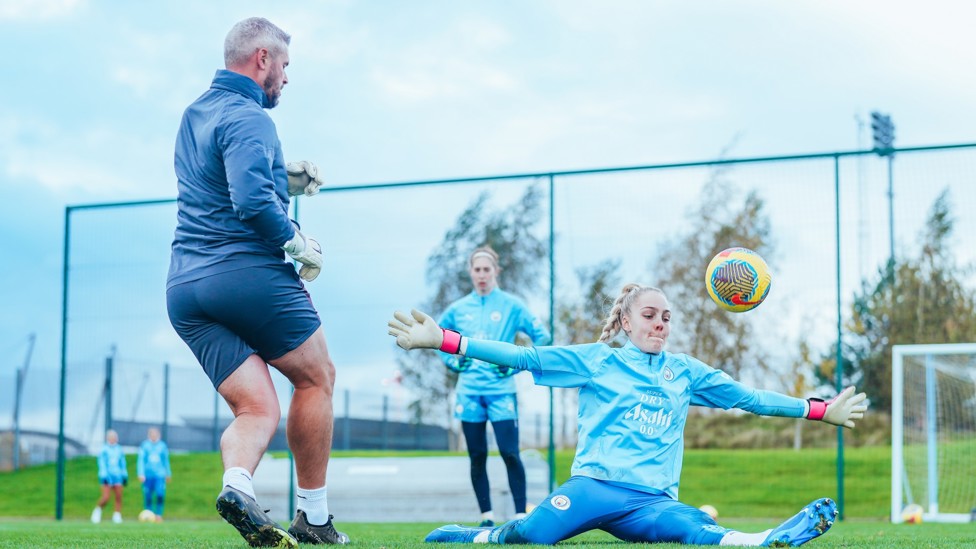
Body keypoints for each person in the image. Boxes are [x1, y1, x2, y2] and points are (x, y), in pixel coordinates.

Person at [388, 284, 868, 546]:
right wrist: (446, 339)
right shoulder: (599, 359)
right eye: (650, 315)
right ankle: (483, 535)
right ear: (625, 321)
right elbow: (524, 358)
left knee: (691, 529)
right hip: (593, 488)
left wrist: (821, 409)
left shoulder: (685, 372)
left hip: (651, 501)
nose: (660, 323)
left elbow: (750, 398)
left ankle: (762, 540)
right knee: (532, 536)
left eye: (666, 317)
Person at [166, 16, 346, 547]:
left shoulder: (194, 112)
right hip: (244, 274)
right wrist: (297, 240)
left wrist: (277, 174)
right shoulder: (251, 117)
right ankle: (313, 518)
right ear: (261, 59)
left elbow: (217, 182)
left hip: (185, 289)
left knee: (256, 406)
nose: (286, 78)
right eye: (284, 65)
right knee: (316, 377)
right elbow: (248, 204)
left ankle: (237, 486)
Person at [438, 246, 551, 527]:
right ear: (470, 272)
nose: (482, 275)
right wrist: (453, 363)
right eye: (477, 270)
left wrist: (515, 362)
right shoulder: (458, 308)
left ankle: (520, 517)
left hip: (502, 394)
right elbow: (437, 337)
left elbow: (543, 337)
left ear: (496, 272)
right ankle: (486, 518)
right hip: (469, 394)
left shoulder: (512, 305)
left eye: (487, 269)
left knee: (510, 453)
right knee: (477, 456)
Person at [91, 429, 128, 524]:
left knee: (118, 496)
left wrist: (124, 475)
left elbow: (122, 463)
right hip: (107, 476)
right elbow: (102, 463)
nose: (113, 439)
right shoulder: (104, 449)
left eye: (114, 437)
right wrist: (104, 475)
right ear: (108, 438)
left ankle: (117, 515)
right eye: (111, 437)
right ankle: (97, 511)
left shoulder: (119, 449)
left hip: (118, 476)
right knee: (106, 497)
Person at [138, 427, 172, 522]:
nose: (154, 436)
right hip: (148, 475)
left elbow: (165, 461)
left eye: (155, 434)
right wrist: (141, 473)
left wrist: (168, 473)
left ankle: (158, 514)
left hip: (160, 475)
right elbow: (141, 460)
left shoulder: (162, 446)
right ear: (149, 435)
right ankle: (148, 515)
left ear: (158, 435)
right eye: (152, 434)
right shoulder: (144, 445)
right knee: (148, 495)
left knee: (160, 494)